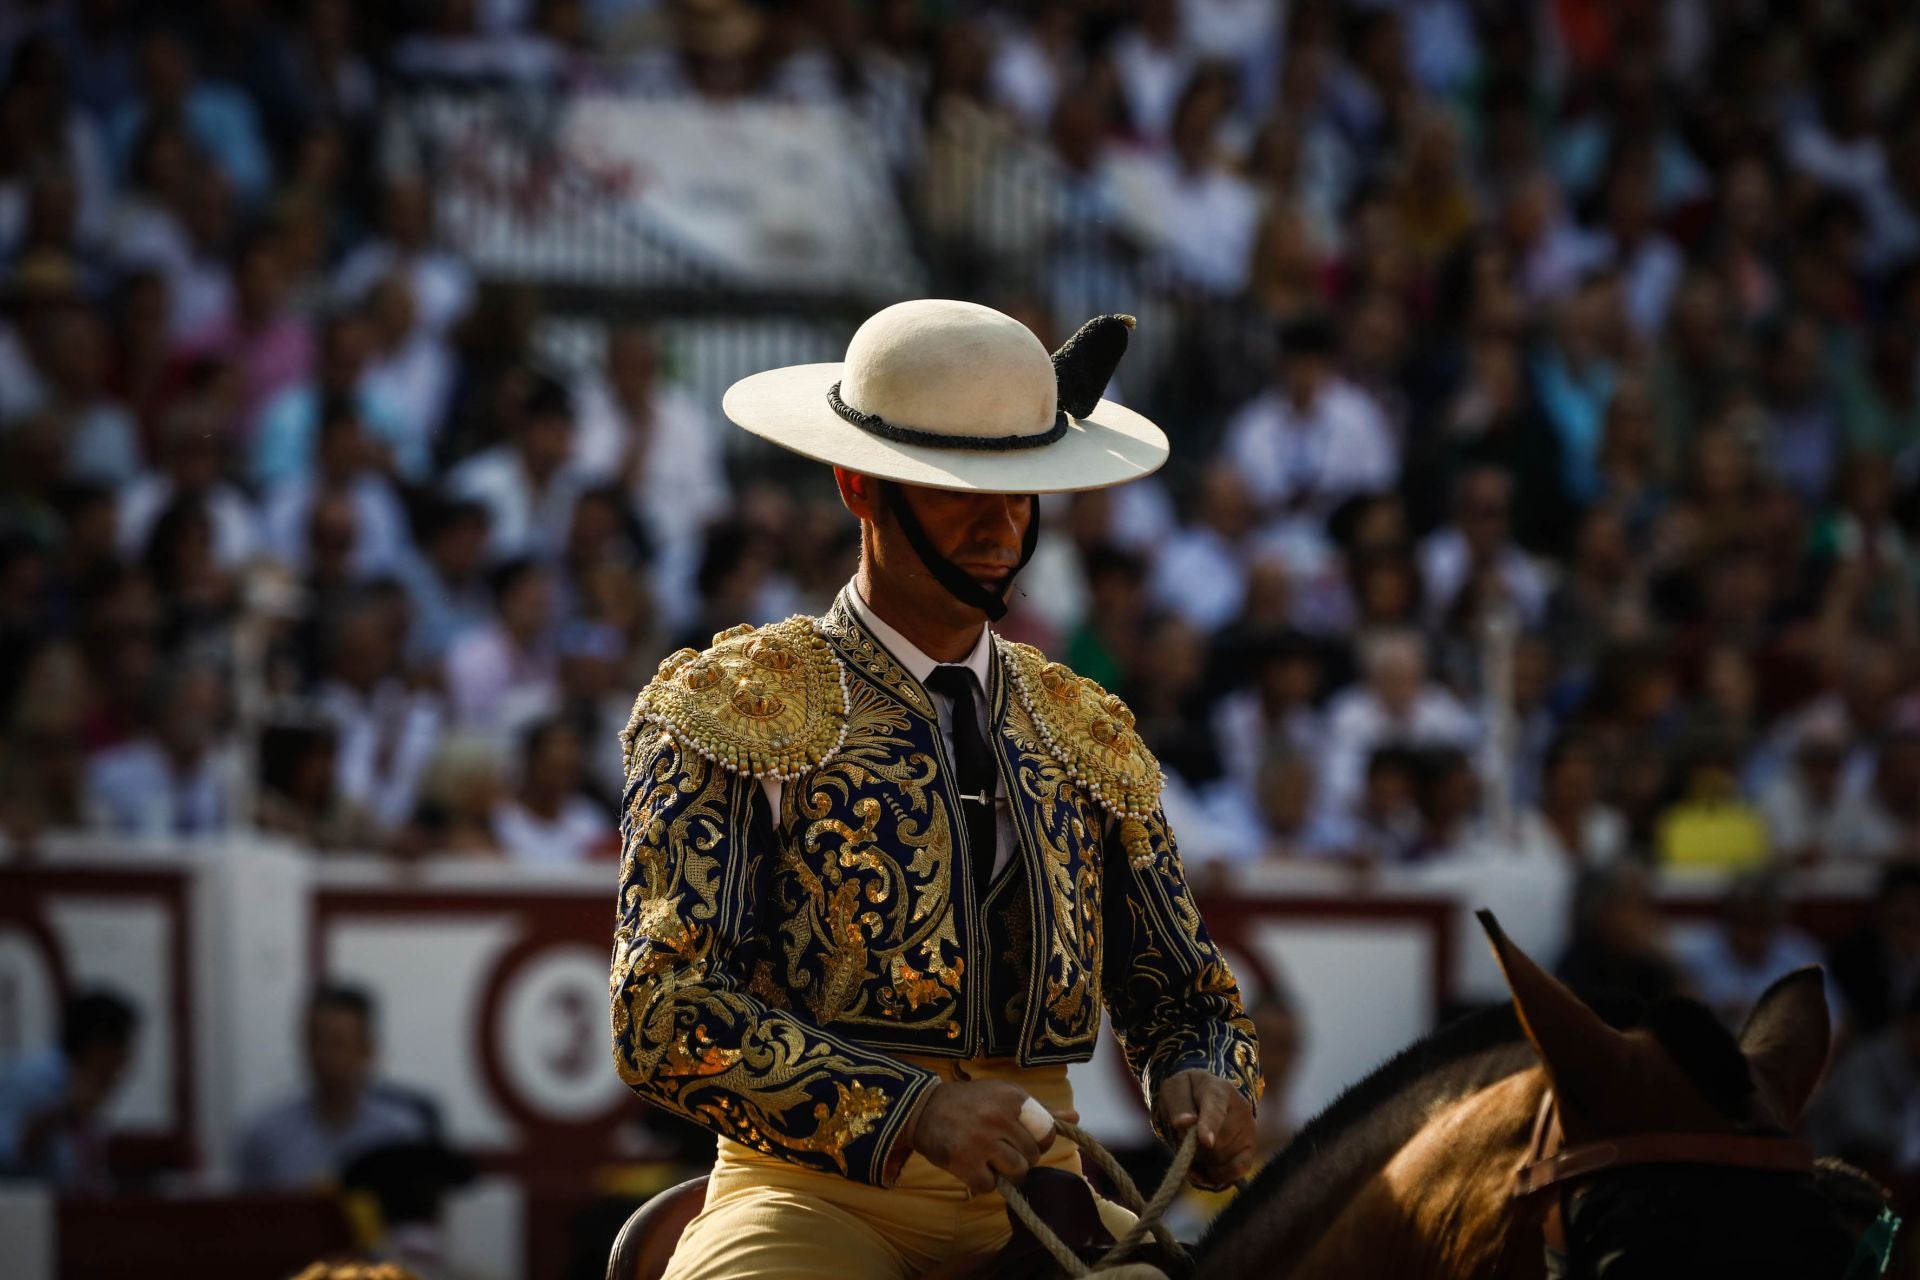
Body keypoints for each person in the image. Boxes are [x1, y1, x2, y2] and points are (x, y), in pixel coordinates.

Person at [611, 300, 1259, 1279]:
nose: (1002, 524)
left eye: (1023, 488)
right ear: (859, 487)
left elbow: (1186, 996)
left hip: (1041, 1200)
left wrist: (1207, 1072)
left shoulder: (1082, 726)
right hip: (806, 1194)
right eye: (961, 489)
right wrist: (908, 1105)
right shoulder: (734, 703)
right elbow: (661, 1006)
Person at [235, 986, 435, 1190]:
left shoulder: (400, 1136)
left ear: (367, 1050)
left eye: (337, 1043)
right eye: (314, 1040)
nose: (322, 1055)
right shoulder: (266, 1135)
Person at [0, 989, 139, 1193]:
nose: (125, 1066)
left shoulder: (82, 1084)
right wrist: (64, 1112)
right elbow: (8, 1152)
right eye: (122, 1053)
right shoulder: (31, 1077)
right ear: (100, 1046)